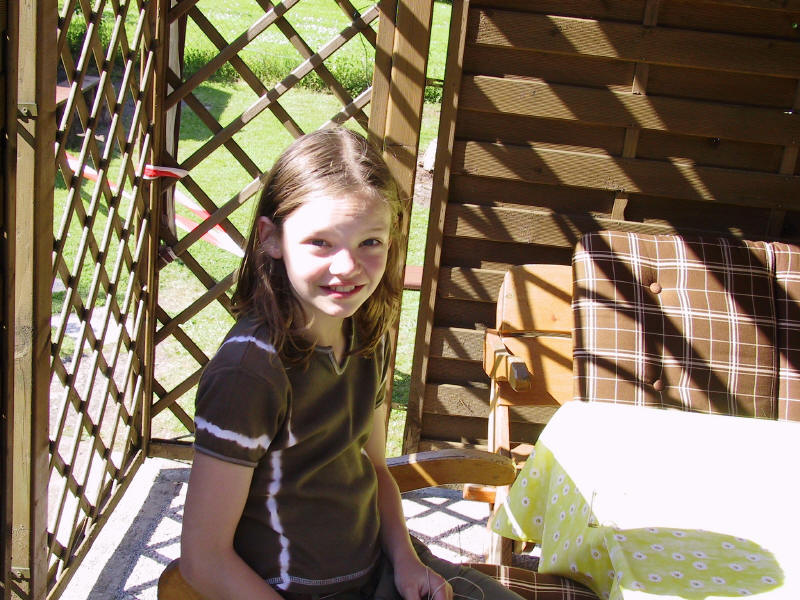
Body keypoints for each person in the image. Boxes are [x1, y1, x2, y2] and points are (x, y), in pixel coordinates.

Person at [179, 128, 525, 600]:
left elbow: (374, 467)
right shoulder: (249, 372)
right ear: (272, 238)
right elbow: (203, 560)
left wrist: (406, 561)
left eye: (370, 242)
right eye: (321, 242)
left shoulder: (366, 334)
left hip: (380, 568)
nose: (347, 267)